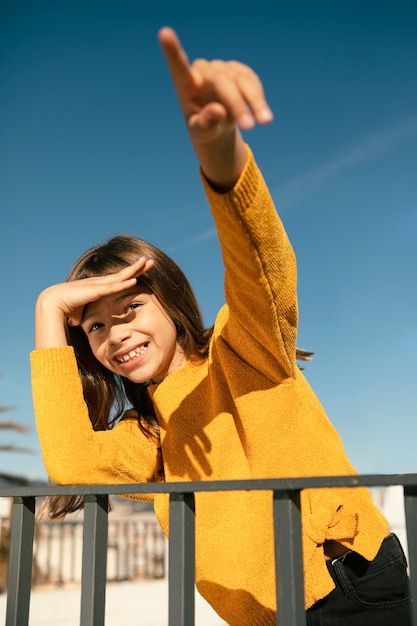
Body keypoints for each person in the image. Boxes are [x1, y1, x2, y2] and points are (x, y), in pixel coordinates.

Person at [31, 27, 411, 626]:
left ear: (173, 303)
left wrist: (220, 157)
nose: (115, 335)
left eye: (129, 309)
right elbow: (73, 466)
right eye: (95, 327)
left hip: (347, 587)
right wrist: (49, 308)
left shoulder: (245, 348)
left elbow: (264, 266)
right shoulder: (148, 435)